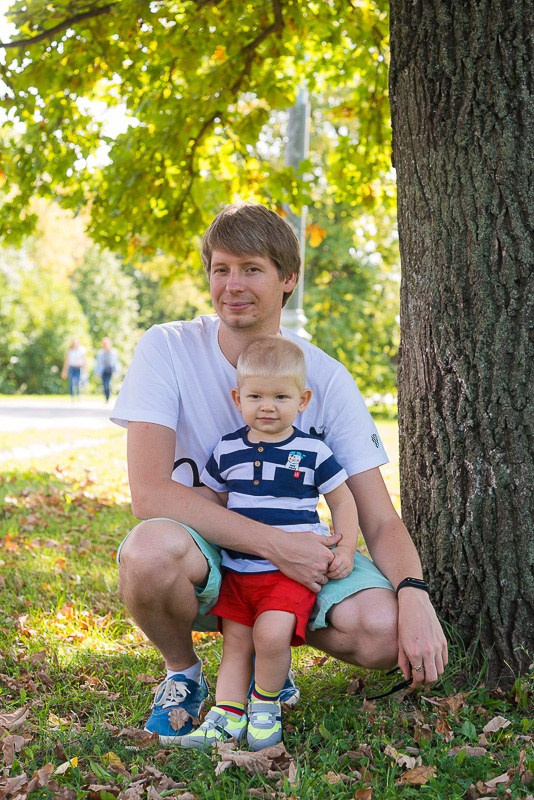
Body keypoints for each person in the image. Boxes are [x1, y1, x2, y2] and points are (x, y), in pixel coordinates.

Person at [111, 203, 448, 747]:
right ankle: (184, 676)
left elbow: (378, 517)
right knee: (148, 553)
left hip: (297, 554)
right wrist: (274, 545)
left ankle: (272, 652)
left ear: (288, 278)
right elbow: (150, 493)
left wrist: (414, 594)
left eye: (251, 269)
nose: (232, 285)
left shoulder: (328, 380)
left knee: (383, 633)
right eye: (221, 269)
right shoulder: (167, 348)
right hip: (205, 542)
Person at [180, 336, 359, 750]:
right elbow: (211, 502)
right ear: (237, 397)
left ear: (303, 399)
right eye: (256, 396)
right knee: (237, 642)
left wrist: (346, 549)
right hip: (239, 570)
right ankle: (225, 714)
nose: (267, 406)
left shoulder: (313, 451)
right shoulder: (226, 450)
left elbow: (342, 499)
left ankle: (265, 703)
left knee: (272, 634)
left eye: (281, 396)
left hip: (287, 572)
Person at [94, 337, 120, 402]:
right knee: (104, 384)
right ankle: (106, 397)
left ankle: (108, 397)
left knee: (107, 383)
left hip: (110, 370)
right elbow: (98, 364)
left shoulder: (113, 352)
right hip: (103, 370)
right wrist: (96, 373)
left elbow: (116, 362)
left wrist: (117, 371)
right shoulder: (100, 353)